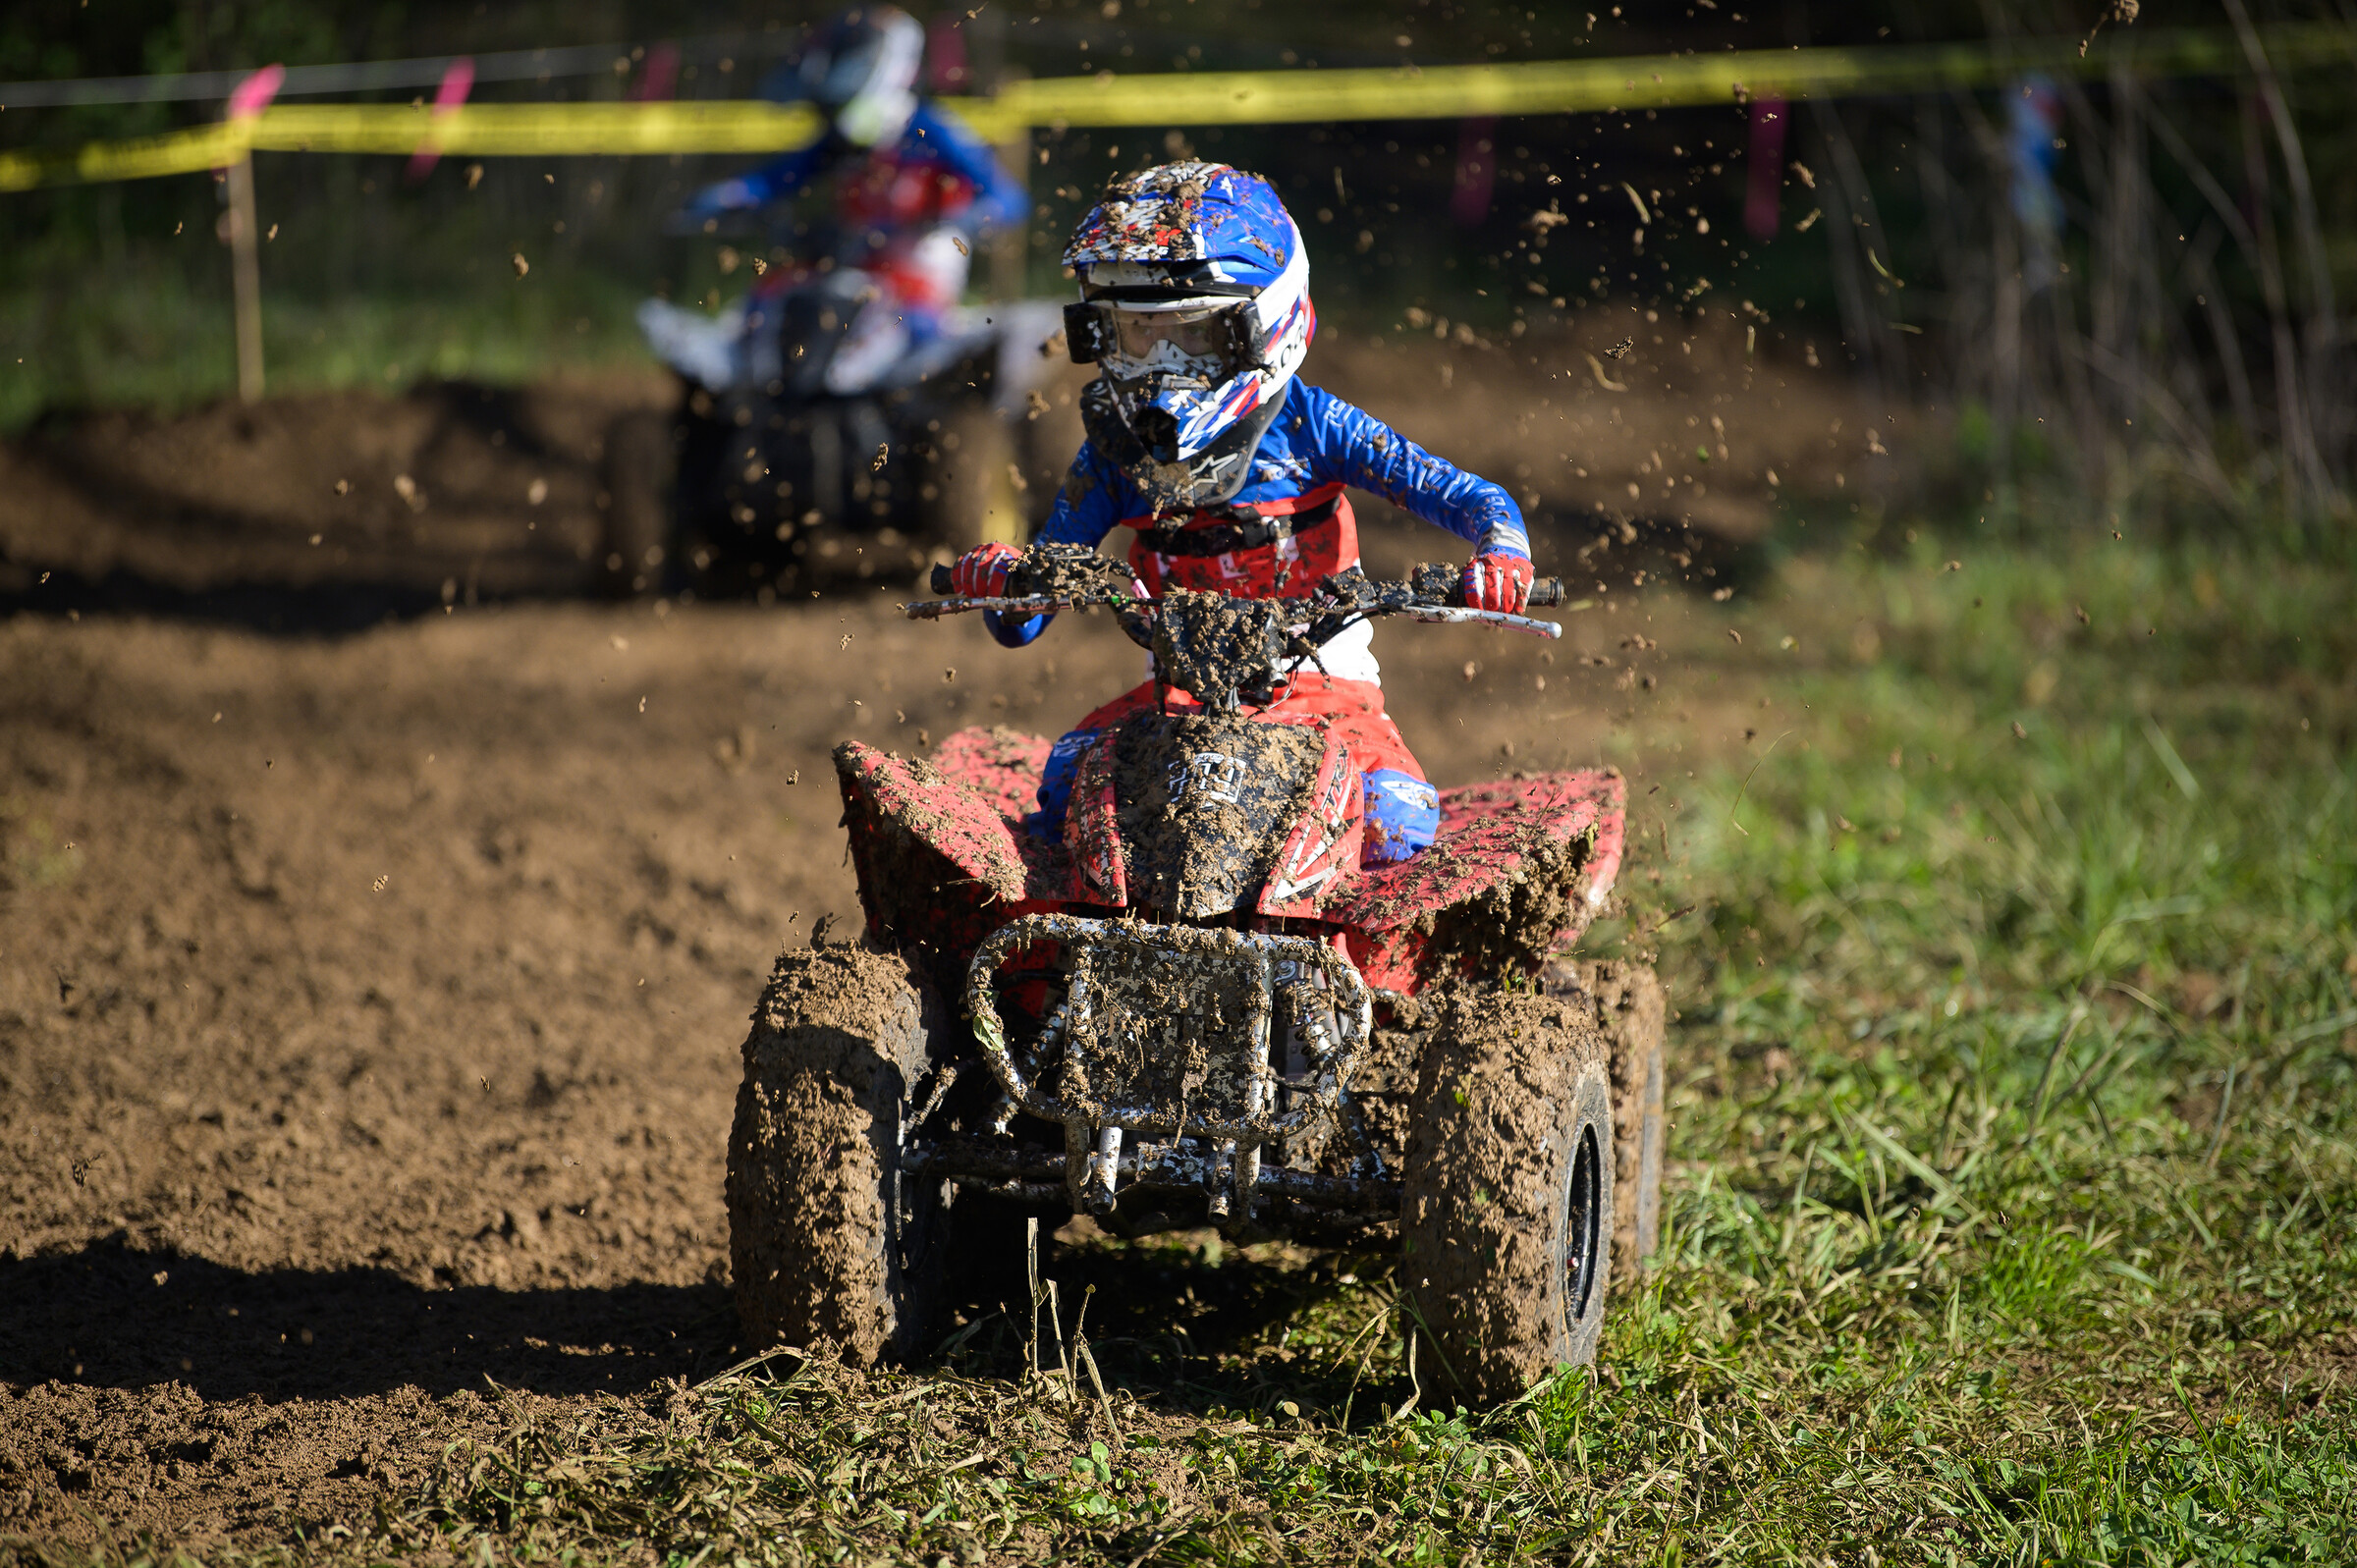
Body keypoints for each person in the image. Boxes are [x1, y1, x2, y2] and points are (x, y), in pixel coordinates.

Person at [946, 162, 1534, 866]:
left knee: (1393, 825)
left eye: (1191, 336)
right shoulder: (1115, 454)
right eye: (1136, 335)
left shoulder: (1315, 426)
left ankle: (1388, 975)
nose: (1162, 364)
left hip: (1324, 689)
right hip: (1176, 699)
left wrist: (1502, 552)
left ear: (1263, 324)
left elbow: (1477, 499)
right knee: (1067, 795)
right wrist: (1007, 582)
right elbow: (1030, 607)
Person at [657, 5, 1024, 393]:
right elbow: (774, 179)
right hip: (851, 263)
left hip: (917, 269)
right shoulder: (839, 142)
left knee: (916, 338)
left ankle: (924, 420)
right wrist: (727, 197)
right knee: (766, 302)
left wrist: (964, 219)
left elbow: (1008, 198)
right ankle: (743, 404)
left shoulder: (933, 131)